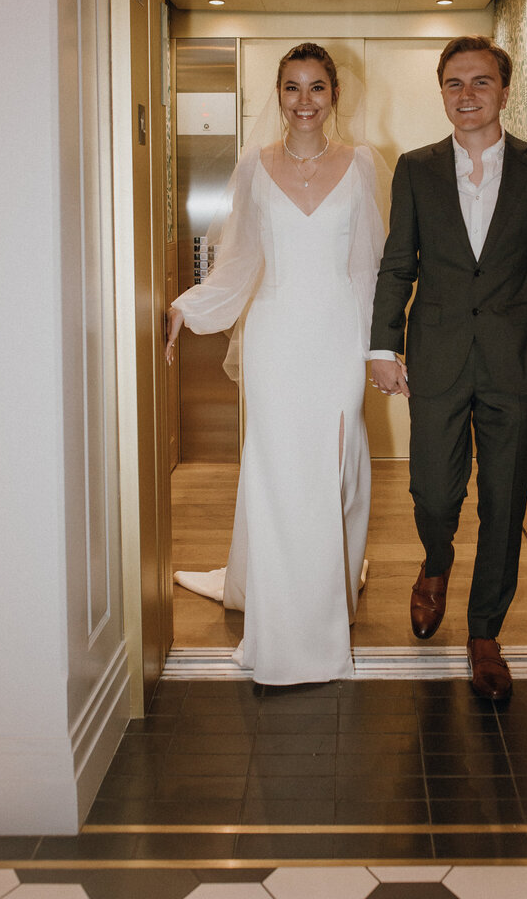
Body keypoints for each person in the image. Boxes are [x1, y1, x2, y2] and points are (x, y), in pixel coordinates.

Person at [166, 43, 387, 686]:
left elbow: (371, 267)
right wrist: (189, 305)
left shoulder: (364, 165)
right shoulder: (254, 167)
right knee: (276, 471)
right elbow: (238, 261)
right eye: (292, 88)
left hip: (339, 338)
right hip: (275, 338)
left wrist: (380, 349)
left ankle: (328, 594)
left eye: (317, 87)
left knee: (334, 465)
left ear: (335, 95)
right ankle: (284, 618)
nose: (304, 101)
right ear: (279, 95)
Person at [369, 35, 527, 701]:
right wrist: (383, 346)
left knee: (504, 500)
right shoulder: (417, 169)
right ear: (442, 93)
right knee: (434, 490)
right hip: (436, 355)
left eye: (480, 82)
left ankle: (485, 631)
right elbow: (398, 262)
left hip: (516, 359)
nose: (467, 95)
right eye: (454, 83)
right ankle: (435, 564)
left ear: (504, 91)